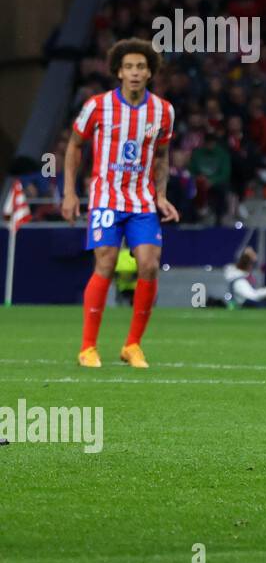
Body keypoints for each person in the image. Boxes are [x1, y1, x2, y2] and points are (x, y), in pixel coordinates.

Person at [62, 38, 178, 369]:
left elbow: (162, 155)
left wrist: (161, 195)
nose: (135, 73)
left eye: (141, 66)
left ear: (150, 72)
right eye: (128, 67)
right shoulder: (97, 106)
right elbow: (74, 146)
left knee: (149, 264)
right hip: (105, 198)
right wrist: (70, 193)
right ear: (118, 71)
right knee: (106, 263)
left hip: (141, 200)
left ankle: (132, 345)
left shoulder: (163, 111)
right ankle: (87, 348)